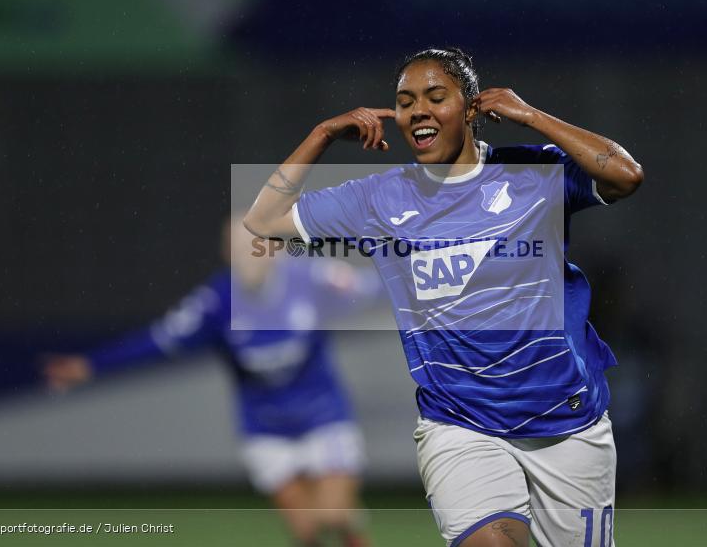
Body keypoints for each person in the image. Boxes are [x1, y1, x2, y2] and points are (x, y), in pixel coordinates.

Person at [243, 47, 644, 547]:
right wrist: (323, 134)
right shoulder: (378, 200)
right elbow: (262, 221)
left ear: (472, 108)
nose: (418, 112)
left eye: (436, 96)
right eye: (406, 101)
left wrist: (533, 117)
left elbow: (625, 175)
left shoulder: (533, 176)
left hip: (566, 423)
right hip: (459, 424)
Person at [43, 218, 376, 547]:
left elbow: (374, 287)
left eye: (253, 246)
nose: (246, 255)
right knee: (308, 533)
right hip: (265, 428)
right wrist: (91, 365)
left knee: (331, 516)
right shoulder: (216, 301)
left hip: (324, 417)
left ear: (274, 248)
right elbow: (160, 340)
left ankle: (348, 525)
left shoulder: (310, 277)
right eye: (236, 248)